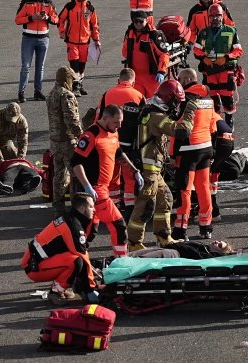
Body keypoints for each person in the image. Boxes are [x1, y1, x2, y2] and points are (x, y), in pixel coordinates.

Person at [72, 104, 141, 258]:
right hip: (95, 189)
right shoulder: (91, 135)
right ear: (105, 118)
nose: (120, 126)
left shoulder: (114, 132)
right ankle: (122, 262)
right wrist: (87, 186)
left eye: (121, 122)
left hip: (103, 187)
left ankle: (78, 260)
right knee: (118, 226)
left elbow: (119, 154)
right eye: (116, 122)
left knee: (89, 230)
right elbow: (75, 162)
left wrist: (135, 171)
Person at [129, 80, 184, 249]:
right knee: (144, 205)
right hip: (148, 171)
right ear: (168, 99)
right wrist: (190, 111)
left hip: (154, 170)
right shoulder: (156, 116)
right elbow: (180, 131)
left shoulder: (155, 110)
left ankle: (163, 235)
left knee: (165, 198)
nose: (177, 106)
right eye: (176, 102)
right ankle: (134, 242)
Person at [22, 193, 99, 305]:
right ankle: (55, 291)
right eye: (91, 207)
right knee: (77, 262)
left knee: (77, 260)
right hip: (34, 267)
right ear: (82, 208)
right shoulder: (74, 226)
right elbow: (82, 255)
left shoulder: (71, 218)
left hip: (36, 260)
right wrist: (91, 289)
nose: (94, 210)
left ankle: (62, 287)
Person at [171, 68, 219, 240]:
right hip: (206, 148)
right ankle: (206, 227)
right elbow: (214, 126)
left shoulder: (185, 100)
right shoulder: (208, 99)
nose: (179, 82)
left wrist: (171, 155)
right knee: (203, 188)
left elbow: (177, 130)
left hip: (187, 151)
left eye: (181, 79)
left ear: (189, 79)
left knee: (184, 190)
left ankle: (180, 229)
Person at [96, 69, 145, 209]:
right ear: (133, 82)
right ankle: (129, 208)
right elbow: (144, 124)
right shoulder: (139, 96)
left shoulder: (107, 94)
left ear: (118, 81)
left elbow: (98, 119)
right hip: (130, 144)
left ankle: (112, 206)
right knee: (129, 177)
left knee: (112, 176)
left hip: (109, 143)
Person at [192, 4, 243, 124]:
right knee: (213, 96)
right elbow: (196, 49)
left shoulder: (231, 31)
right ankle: (216, 121)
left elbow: (238, 50)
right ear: (209, 17)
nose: (215, 18)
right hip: (209, 70)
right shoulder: (204, 32)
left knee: (226, 96)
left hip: (226, 69)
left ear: (222, 16)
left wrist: (226, 58)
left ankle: (229, 120)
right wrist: (204, 58)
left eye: (218, 16)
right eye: (212, 16)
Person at [14, 0, 58, 103]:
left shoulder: (48, 2)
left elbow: (56, 19)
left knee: (40, 67)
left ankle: (37, 91)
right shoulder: (25, 2)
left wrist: (47, 17)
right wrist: (31, 18)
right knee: (25, 67)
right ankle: (21, 92)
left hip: (44, 38)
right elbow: (17, 20)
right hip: (28, 38)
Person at [47, 66, 84, 212]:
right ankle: (77, 208)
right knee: (76, 175)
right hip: (68, 142)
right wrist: (82, 137)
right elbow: (71, 120)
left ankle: (58, 208)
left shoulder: (51, 94)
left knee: (59, 175)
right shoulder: (66, 95)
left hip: (54, 141)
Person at [58, 0, 100, 96]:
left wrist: (96, 39)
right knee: (74, 65)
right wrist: (62, 32)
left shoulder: (90, 8)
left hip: (85, 42)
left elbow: (94, 25)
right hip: (72, 41)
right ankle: (75, 86)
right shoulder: (70, 6)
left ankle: (79, 85)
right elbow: (60, 19)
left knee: (82, 66)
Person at [121, 11, 169, 98]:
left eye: (141, 21)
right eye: (136, 22)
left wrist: (161, 71)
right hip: (135, 77)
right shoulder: (129, 33)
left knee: (154, 103)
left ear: (146, 21)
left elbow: (164, 54)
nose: (138, 24)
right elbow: (125, 52)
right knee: (136, 101)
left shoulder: (153, 35)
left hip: (152, 77)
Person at [129, 239, 235, 258]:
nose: (216, 242)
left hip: (177, 255)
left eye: (219, 245)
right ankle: (122, 258)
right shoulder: (204, 247)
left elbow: (189, 252)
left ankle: (127, 262)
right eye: (218, 241)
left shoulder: (207, 255)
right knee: (146, 250)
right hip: (174, 250)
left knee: (145, 257)